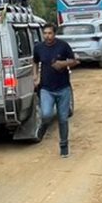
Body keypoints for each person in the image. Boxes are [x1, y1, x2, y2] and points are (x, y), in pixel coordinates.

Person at [33, 23, 79, 158]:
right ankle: (43, 127)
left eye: (50, 33)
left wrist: (62, 64)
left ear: (55, 33)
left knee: (63, 119)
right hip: (46, 88)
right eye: (45, 33)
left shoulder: (63, 46)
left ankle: (64, 146)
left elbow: (75, 61)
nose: (47, 36)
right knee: (46, 114)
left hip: (63, 88)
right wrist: (35, 76)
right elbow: (34, 61)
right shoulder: (38, 48)